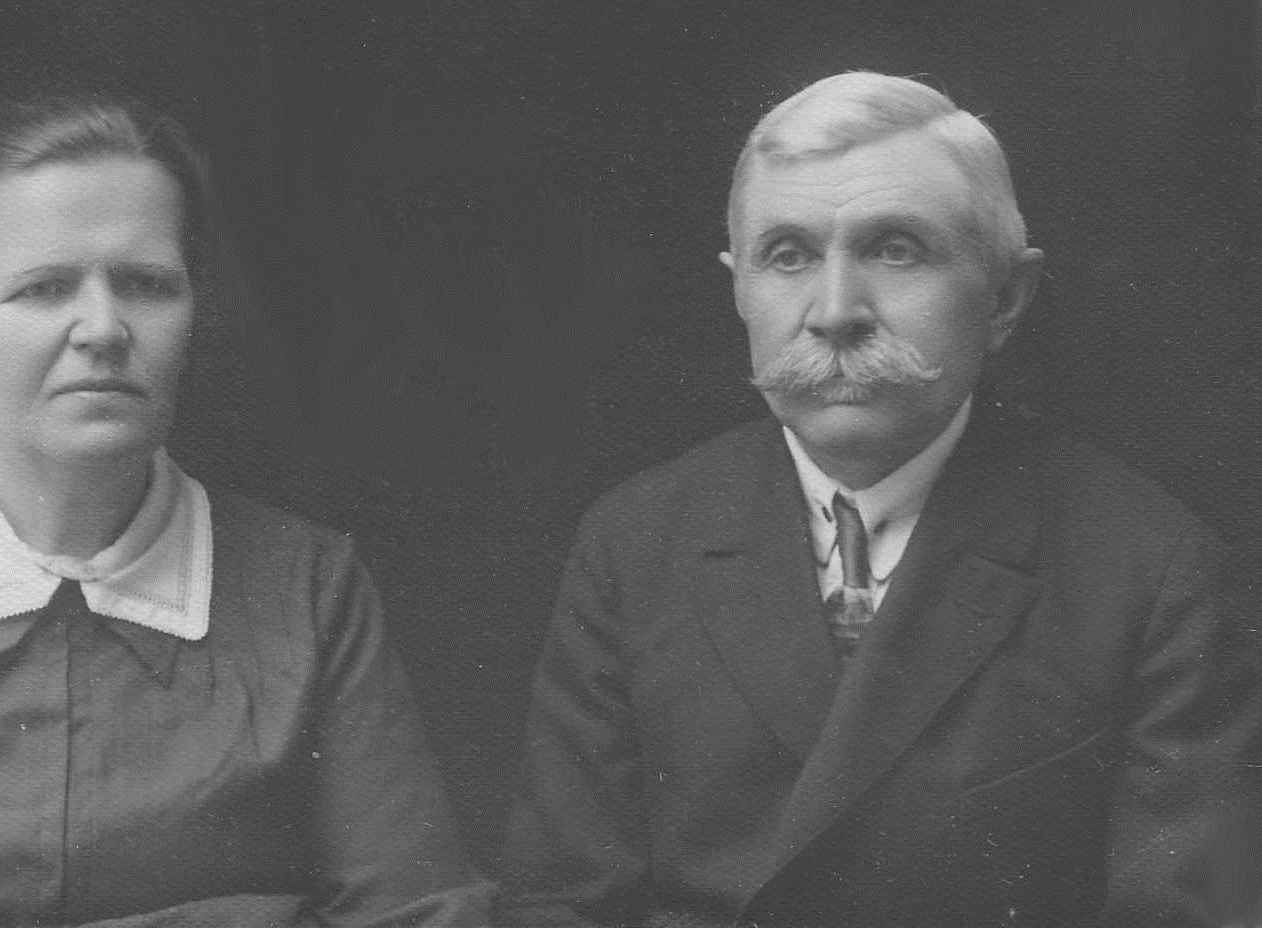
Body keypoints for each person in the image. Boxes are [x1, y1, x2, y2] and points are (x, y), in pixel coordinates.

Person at [0, 95, 491, 927]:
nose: (104, 329)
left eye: (146, 284)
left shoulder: (310, 589)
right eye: (44, 289)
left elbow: (422, 913)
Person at [500, 72, 1262, 928]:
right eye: (788, 256)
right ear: (739, 289)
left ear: (1004, 297)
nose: (835, 312)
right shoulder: (635, 543)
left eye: (895, 250)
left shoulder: (1152, 571)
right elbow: (562, 903)